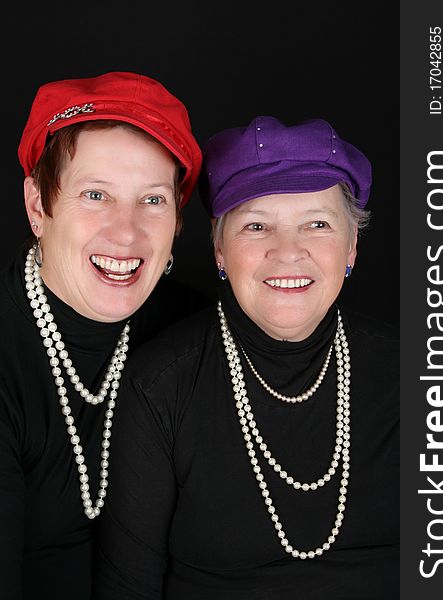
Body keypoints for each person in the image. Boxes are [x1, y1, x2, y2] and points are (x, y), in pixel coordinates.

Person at [93, 116, 399, 599]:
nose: (288, 252)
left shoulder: (418, 376)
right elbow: (128, 586)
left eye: (317, 224)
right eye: (256, 226)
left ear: (352, 247)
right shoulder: (160, 386)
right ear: (218, 248)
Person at [0, 70, 207, 600]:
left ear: (178, 221)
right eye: (96, 194)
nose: (126, 231)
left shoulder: (197, 332)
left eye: (154, 200)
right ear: (37, 206)